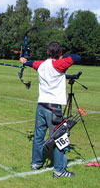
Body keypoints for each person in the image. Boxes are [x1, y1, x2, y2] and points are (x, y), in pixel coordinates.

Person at [19, 42, 81, 177]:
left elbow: (31, 63)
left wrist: (25, 61)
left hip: (41, 106)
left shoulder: (41, 64)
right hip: (54, 108)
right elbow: (77, 57)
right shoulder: (59, 64)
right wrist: (62, 56)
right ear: (60, 54)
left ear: (47, 52)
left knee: (38, 136)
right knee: (59, 138)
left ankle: (36, 163)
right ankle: (59, 171)